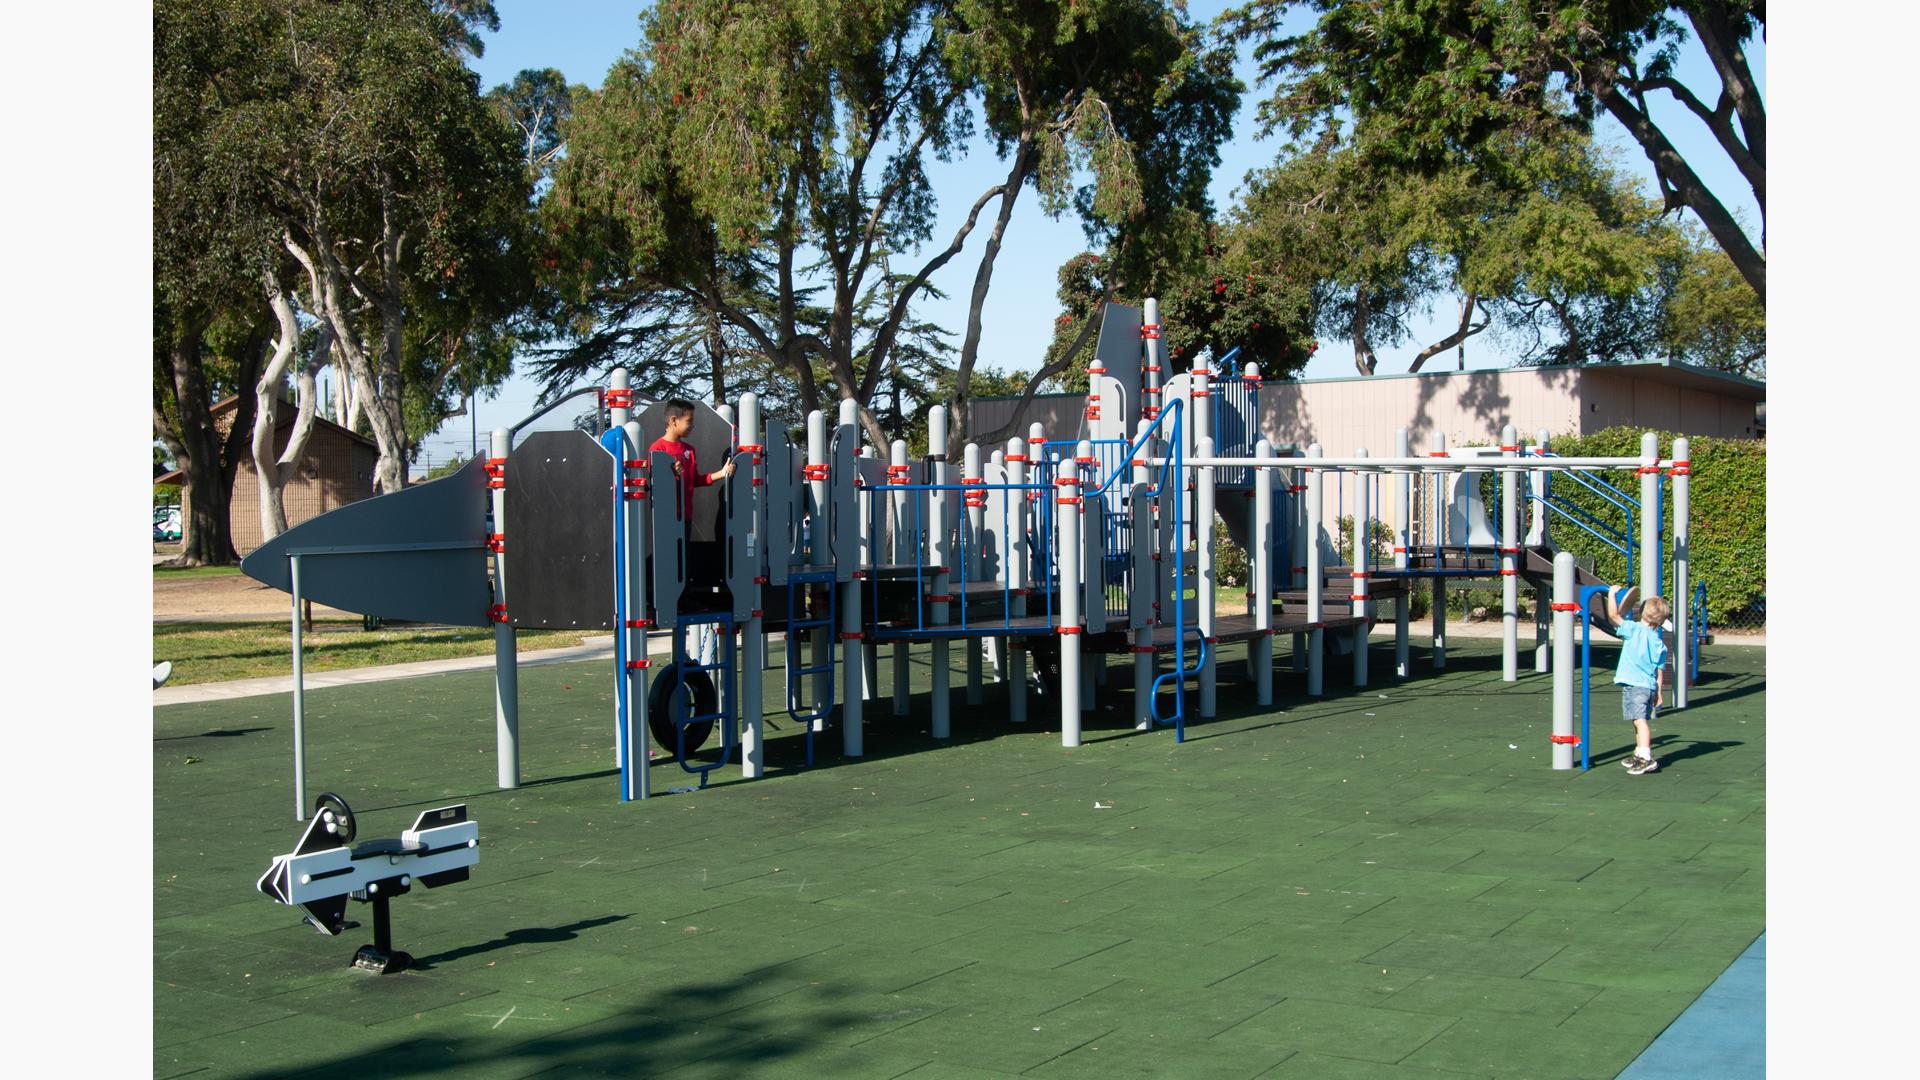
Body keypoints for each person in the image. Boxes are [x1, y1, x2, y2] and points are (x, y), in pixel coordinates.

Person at [1604, 587, 1671, 775]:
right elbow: (1659, 671)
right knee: (1637, 720)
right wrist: (1658, 693)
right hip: (1647, 686)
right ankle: (1639, 753)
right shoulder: (1659, 644)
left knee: (1640, 721)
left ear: (1641, 612)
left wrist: (1610, 594)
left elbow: (1613, 615)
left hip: (1636, 686)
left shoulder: (1634, 629)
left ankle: (1647, 758)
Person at [649, 398, 735, 514]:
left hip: (686, 515)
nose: (693, 426)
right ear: (674, 420)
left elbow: (695, 480)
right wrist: (670, 474)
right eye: (689, 421)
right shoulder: (657, 449)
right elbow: (654, 484)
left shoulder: (689, 450)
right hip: (666, 516)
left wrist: (722, 473)